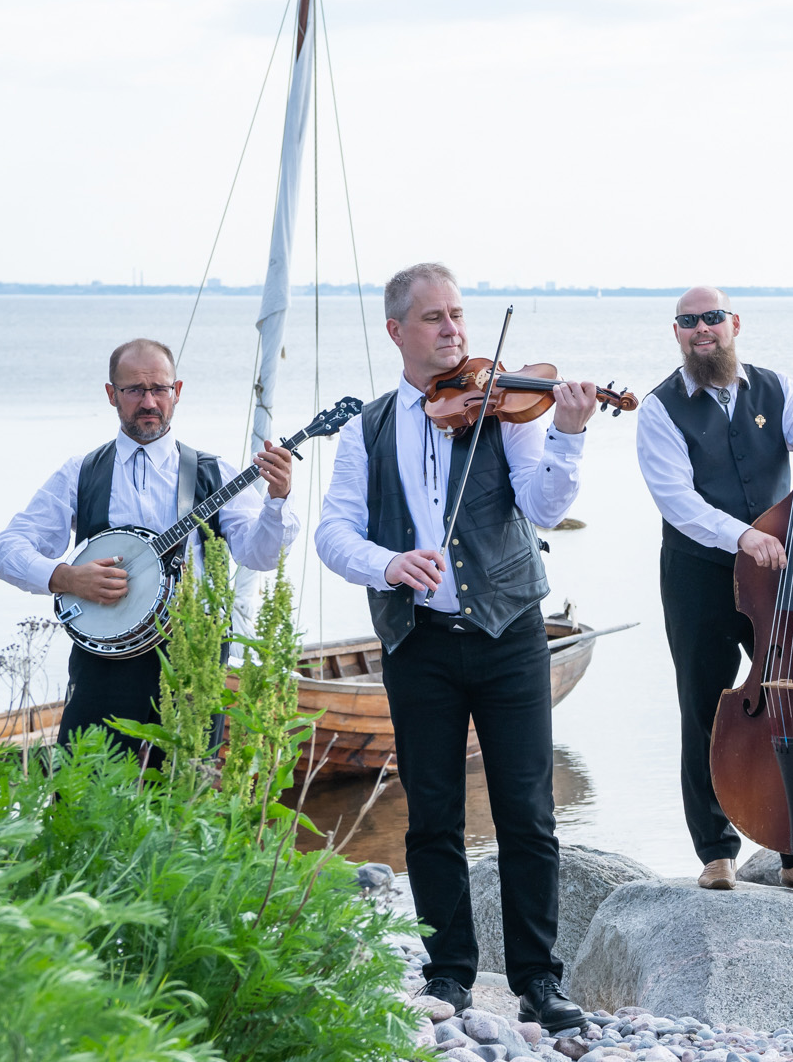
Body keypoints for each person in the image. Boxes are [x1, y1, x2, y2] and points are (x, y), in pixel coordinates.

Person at [314, 263, 595, 1028]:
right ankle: (448, 975)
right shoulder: (367, 428)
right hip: (418, 641)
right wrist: (388, 564)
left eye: (459, 315)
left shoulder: (508, 408)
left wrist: (567, 434)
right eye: (434, 317)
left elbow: (543, 504)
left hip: (510, 633)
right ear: (396, 330)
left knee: (527, 812)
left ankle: (538, 980)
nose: (453, 330)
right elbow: (334, 532)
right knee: (432, 814)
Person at [634, 285, 793, 895]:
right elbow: (677, 502)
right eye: (688, 321)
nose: (701, 329)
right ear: (676, 333)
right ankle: (716, 851)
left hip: (780, 573)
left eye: (712, 318)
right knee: (704, 706)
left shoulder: (779, 388)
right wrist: (743, 536)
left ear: (734, 323)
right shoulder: (658, 409)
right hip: (698, 575)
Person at [0, 338, 299, 755]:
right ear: (111, 394)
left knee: (183, 784)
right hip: (103, 662)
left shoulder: (214, 473)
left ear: (177, 391)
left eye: (159, 389)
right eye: (134, 389)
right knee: (85, 780)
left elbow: (260, 555)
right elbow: (3, 550)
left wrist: (278, 500)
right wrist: (66, 578)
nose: (149, 401)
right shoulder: (81, 473)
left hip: (194, 659)